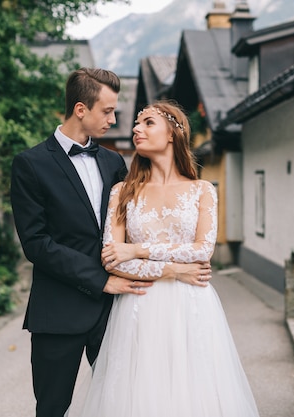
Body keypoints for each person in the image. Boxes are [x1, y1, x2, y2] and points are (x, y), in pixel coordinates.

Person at [11, 68, 200, 417]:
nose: (114, 120)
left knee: (124, 404)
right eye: (108, 111)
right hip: (59, 312)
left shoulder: (114, 162)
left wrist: (169, 266)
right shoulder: (30, 164)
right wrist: (100, 279)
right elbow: (37, 244)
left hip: (117, 312)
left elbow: (134, 231)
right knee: (53, 408)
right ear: (81, 109)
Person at [70, 100, 260, 417]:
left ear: (172, 133)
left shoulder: (202, 190)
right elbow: (113, 261)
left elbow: (202, 251)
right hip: (138, 305)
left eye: (147, 122)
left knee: (194, 393)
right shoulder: (122, 191)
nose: (135, 128)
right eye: (136, 124)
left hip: (192, 305)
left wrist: (139, 249)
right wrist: (174, 271)